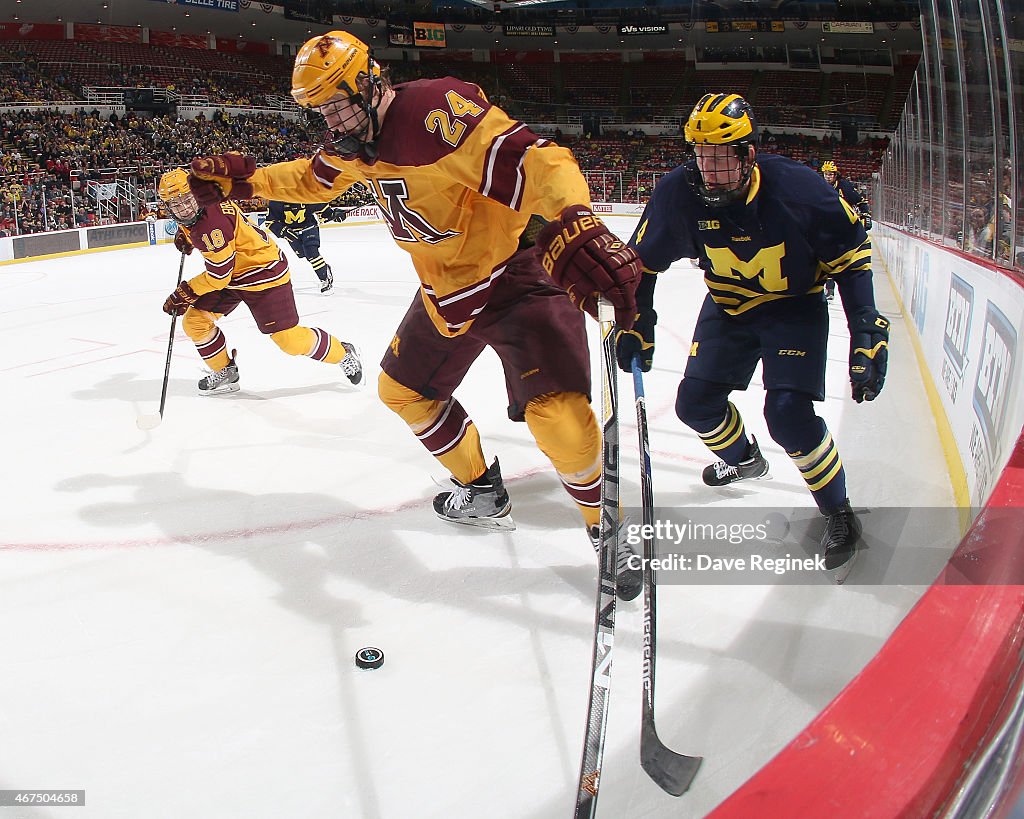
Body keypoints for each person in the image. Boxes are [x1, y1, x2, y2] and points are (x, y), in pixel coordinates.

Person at [185, 31, 644, 599]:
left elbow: (537, 160)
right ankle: (481, 487)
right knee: (401, 390)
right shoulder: (355, 143)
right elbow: (312, 179)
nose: (331, 116)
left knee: (560, 417)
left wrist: (578, 219)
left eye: (336, 99)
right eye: (320, 106)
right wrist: (246, 180)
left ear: (366, 81)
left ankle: (608, 528)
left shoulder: (432, 110)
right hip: (447, 293)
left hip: (516, 275)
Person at [616, 93, 890, 583]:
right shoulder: (678, 193)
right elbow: (643, 265)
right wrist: (638, 318)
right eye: (701, 155)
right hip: (728, 305)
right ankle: (744, 459)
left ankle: (837, 511)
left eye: (721, 157)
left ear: (747, 154)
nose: (710, 170)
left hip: (794, 307)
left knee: (787, 415)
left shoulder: (799, 190)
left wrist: (866, 328)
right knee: (694, 406)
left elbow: (851, 259)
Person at [157, 168, 364, 395]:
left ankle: (343, 353)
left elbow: (218, 277)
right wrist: (186, 234)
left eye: (187, 200)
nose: (184, 209)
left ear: (195, 194)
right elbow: (204, 238)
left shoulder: (210, 227)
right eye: (176, 205)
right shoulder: (207, 196)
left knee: (289, 341)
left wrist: (185, 293)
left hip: (263, 273)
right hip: (234, 273)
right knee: (195, 322)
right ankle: (226, 372)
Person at [264, 199, 347, 294]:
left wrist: (335, 215)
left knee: (311, 252)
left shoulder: (305, 194)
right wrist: (284, 232)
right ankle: (324, 268)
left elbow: (324, 211)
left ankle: (324, 278)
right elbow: (270, 222)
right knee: (304, 254)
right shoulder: (277, 200)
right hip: (291, 233)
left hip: (309, 228)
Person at [821, 160, 871, 301]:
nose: (828, 177)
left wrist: (865, 214)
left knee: (840, 258)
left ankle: (845, 288)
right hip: (825, 225)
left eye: (830, 174)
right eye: (826, 174)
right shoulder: (818, 185)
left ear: (836, 175)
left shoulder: (845, 187)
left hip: (843, 225)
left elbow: (861, 201)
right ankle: (828, 289)